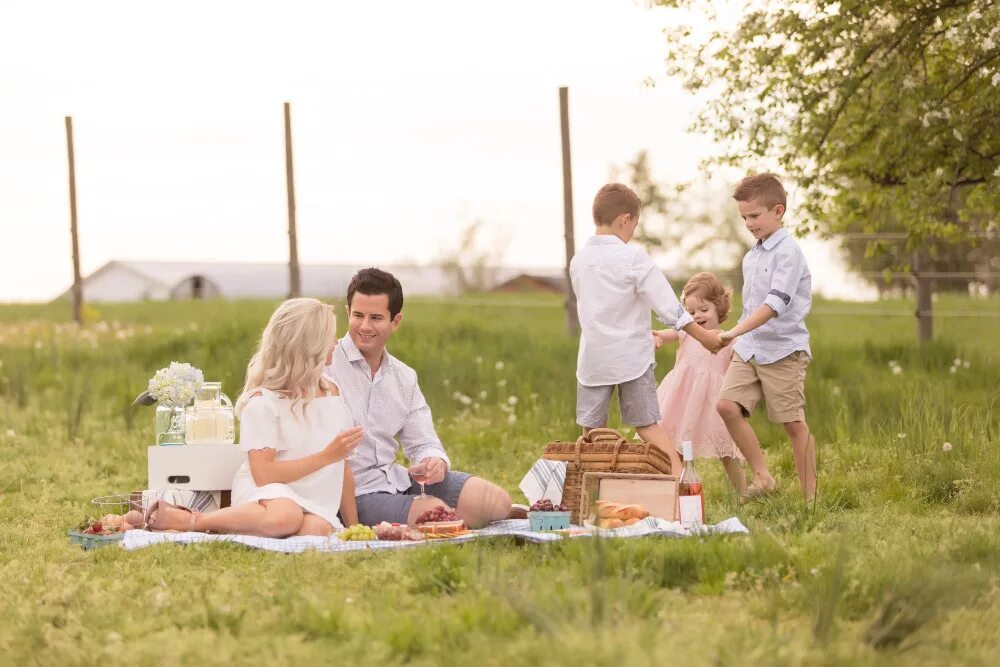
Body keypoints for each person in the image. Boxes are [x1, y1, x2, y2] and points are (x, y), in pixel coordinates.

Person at [145, 298, 364, 536]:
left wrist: (355, 528)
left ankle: (250, 528)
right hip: (266, 494)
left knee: (315, 531)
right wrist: (326, 457)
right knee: (285, 516)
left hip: (315, 500)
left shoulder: (333, 393)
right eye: (330, 336)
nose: (336, 342)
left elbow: (343, 468)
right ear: (309, 346)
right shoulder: (263, 402)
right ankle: (193, 521)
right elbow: (263, 475)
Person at [326, 268, 513, 528]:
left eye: (376, 317)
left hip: (397, 479)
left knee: (496, 502)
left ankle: (460, 516)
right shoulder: (324, 364)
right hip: (353, 493)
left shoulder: (404, 377)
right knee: (435, 513)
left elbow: (424, 441)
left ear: (396, 321)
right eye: (358, 315)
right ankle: (447, 518)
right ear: (348, 313)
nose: (365, 326)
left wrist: (433, 462)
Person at [570, 183, 724, 474]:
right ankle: (683, 481)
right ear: (624, 219)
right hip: (632, 358)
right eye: (635, 225)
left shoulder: (579, 261)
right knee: (647, 426)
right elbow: (667, 306)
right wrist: (703, 337)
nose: (633, 232)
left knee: (591, 432)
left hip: (593, 361)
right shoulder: (633, 258)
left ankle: (590, 491)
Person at [716, 173, 816, 501]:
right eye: (744, 217)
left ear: (778, 211)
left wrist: (732, 333)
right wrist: (733, 341)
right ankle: (763, 477)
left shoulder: (788, 253)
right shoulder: (752, 256)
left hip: (783, 351)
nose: (748, 223)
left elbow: (774, 304)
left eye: (754, 216)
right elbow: (750, 308)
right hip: (750, 348)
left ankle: (809, 500)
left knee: (792, 424)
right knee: (727, 406)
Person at [652, 272, 745, 493]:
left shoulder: (728, 338)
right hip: (682, 398)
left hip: (713, 401)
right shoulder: (687, 333)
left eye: (704, 310)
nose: (698, 316)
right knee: (677, 444)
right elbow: (667, 334)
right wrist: (657, 337)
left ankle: (743, 491)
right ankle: (677, 488)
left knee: (726, 450)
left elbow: (742, 364)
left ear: (719, 308)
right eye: (691, 312)